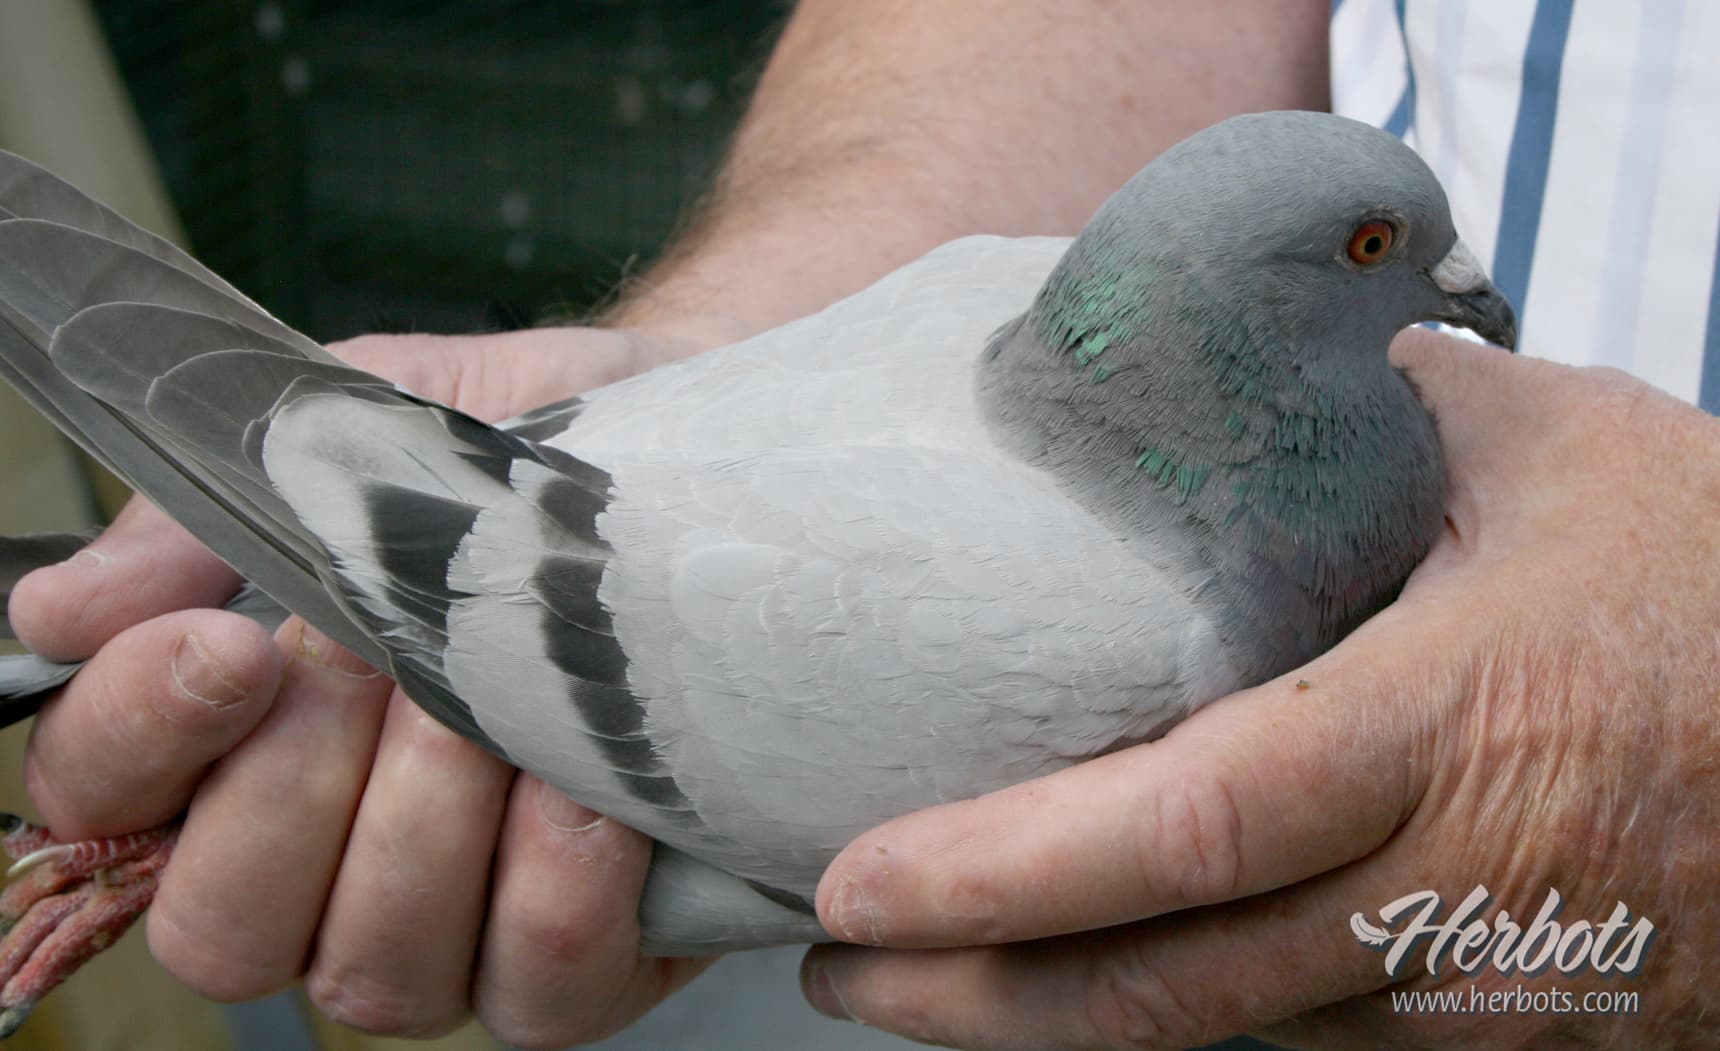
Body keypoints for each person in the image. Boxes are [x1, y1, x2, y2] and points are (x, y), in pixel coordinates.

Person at [9, 1, 1718, 1047]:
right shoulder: (1107, 629)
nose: (1456, 285)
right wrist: (715, 337)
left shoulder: (1039, 311)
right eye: (1379, 253)